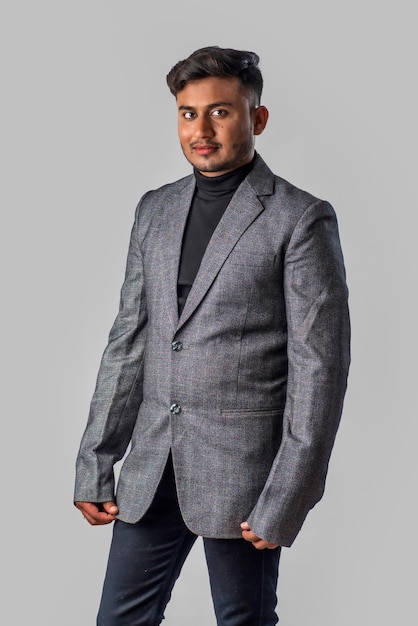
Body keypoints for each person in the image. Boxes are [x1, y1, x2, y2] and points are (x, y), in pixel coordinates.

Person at [74, 46, 351, 626]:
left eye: (220, 112)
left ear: (258, 118)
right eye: (187, 112)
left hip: (247, 480)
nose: (201, 129)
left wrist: (289, 495)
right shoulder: (155, 210)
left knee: (243, 621)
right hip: (152, 468)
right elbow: (130, 338)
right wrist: (96, 460)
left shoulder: (300, 218)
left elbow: (319, 371)